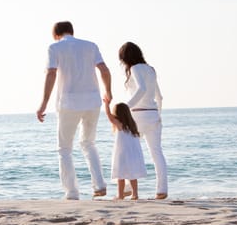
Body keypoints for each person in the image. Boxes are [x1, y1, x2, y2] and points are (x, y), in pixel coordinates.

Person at [37, 21, 112, 200]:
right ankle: (99, 185)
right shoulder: (90, 46)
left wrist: (43, 103)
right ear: (72, 31)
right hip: (93, 101)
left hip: (69, 102)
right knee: (88, 143)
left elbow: (51, 73)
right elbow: (104, 69)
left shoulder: (55, 47)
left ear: (56, 34)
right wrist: (108, 91)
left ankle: (71, 192)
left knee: (64, 149)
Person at [118, 41, 168, 199]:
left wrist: (125, 107)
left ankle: (127, 187)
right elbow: (159, 96)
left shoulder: (134, 68)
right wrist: (158, 114)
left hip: (137, 114)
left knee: (128, 151)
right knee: (156, 153)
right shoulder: (150, 69)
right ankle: (162, 190)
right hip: (153, 115)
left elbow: (142, 89)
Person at [103, 99, 147, 200]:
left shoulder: (119, 124)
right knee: (132, 175)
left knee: (120, 175)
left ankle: (121, 195)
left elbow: (109, 115)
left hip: (123, 154)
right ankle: (135, 194)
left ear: (117, 114)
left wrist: (106, 104)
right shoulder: (132, 125)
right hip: (134, 154)